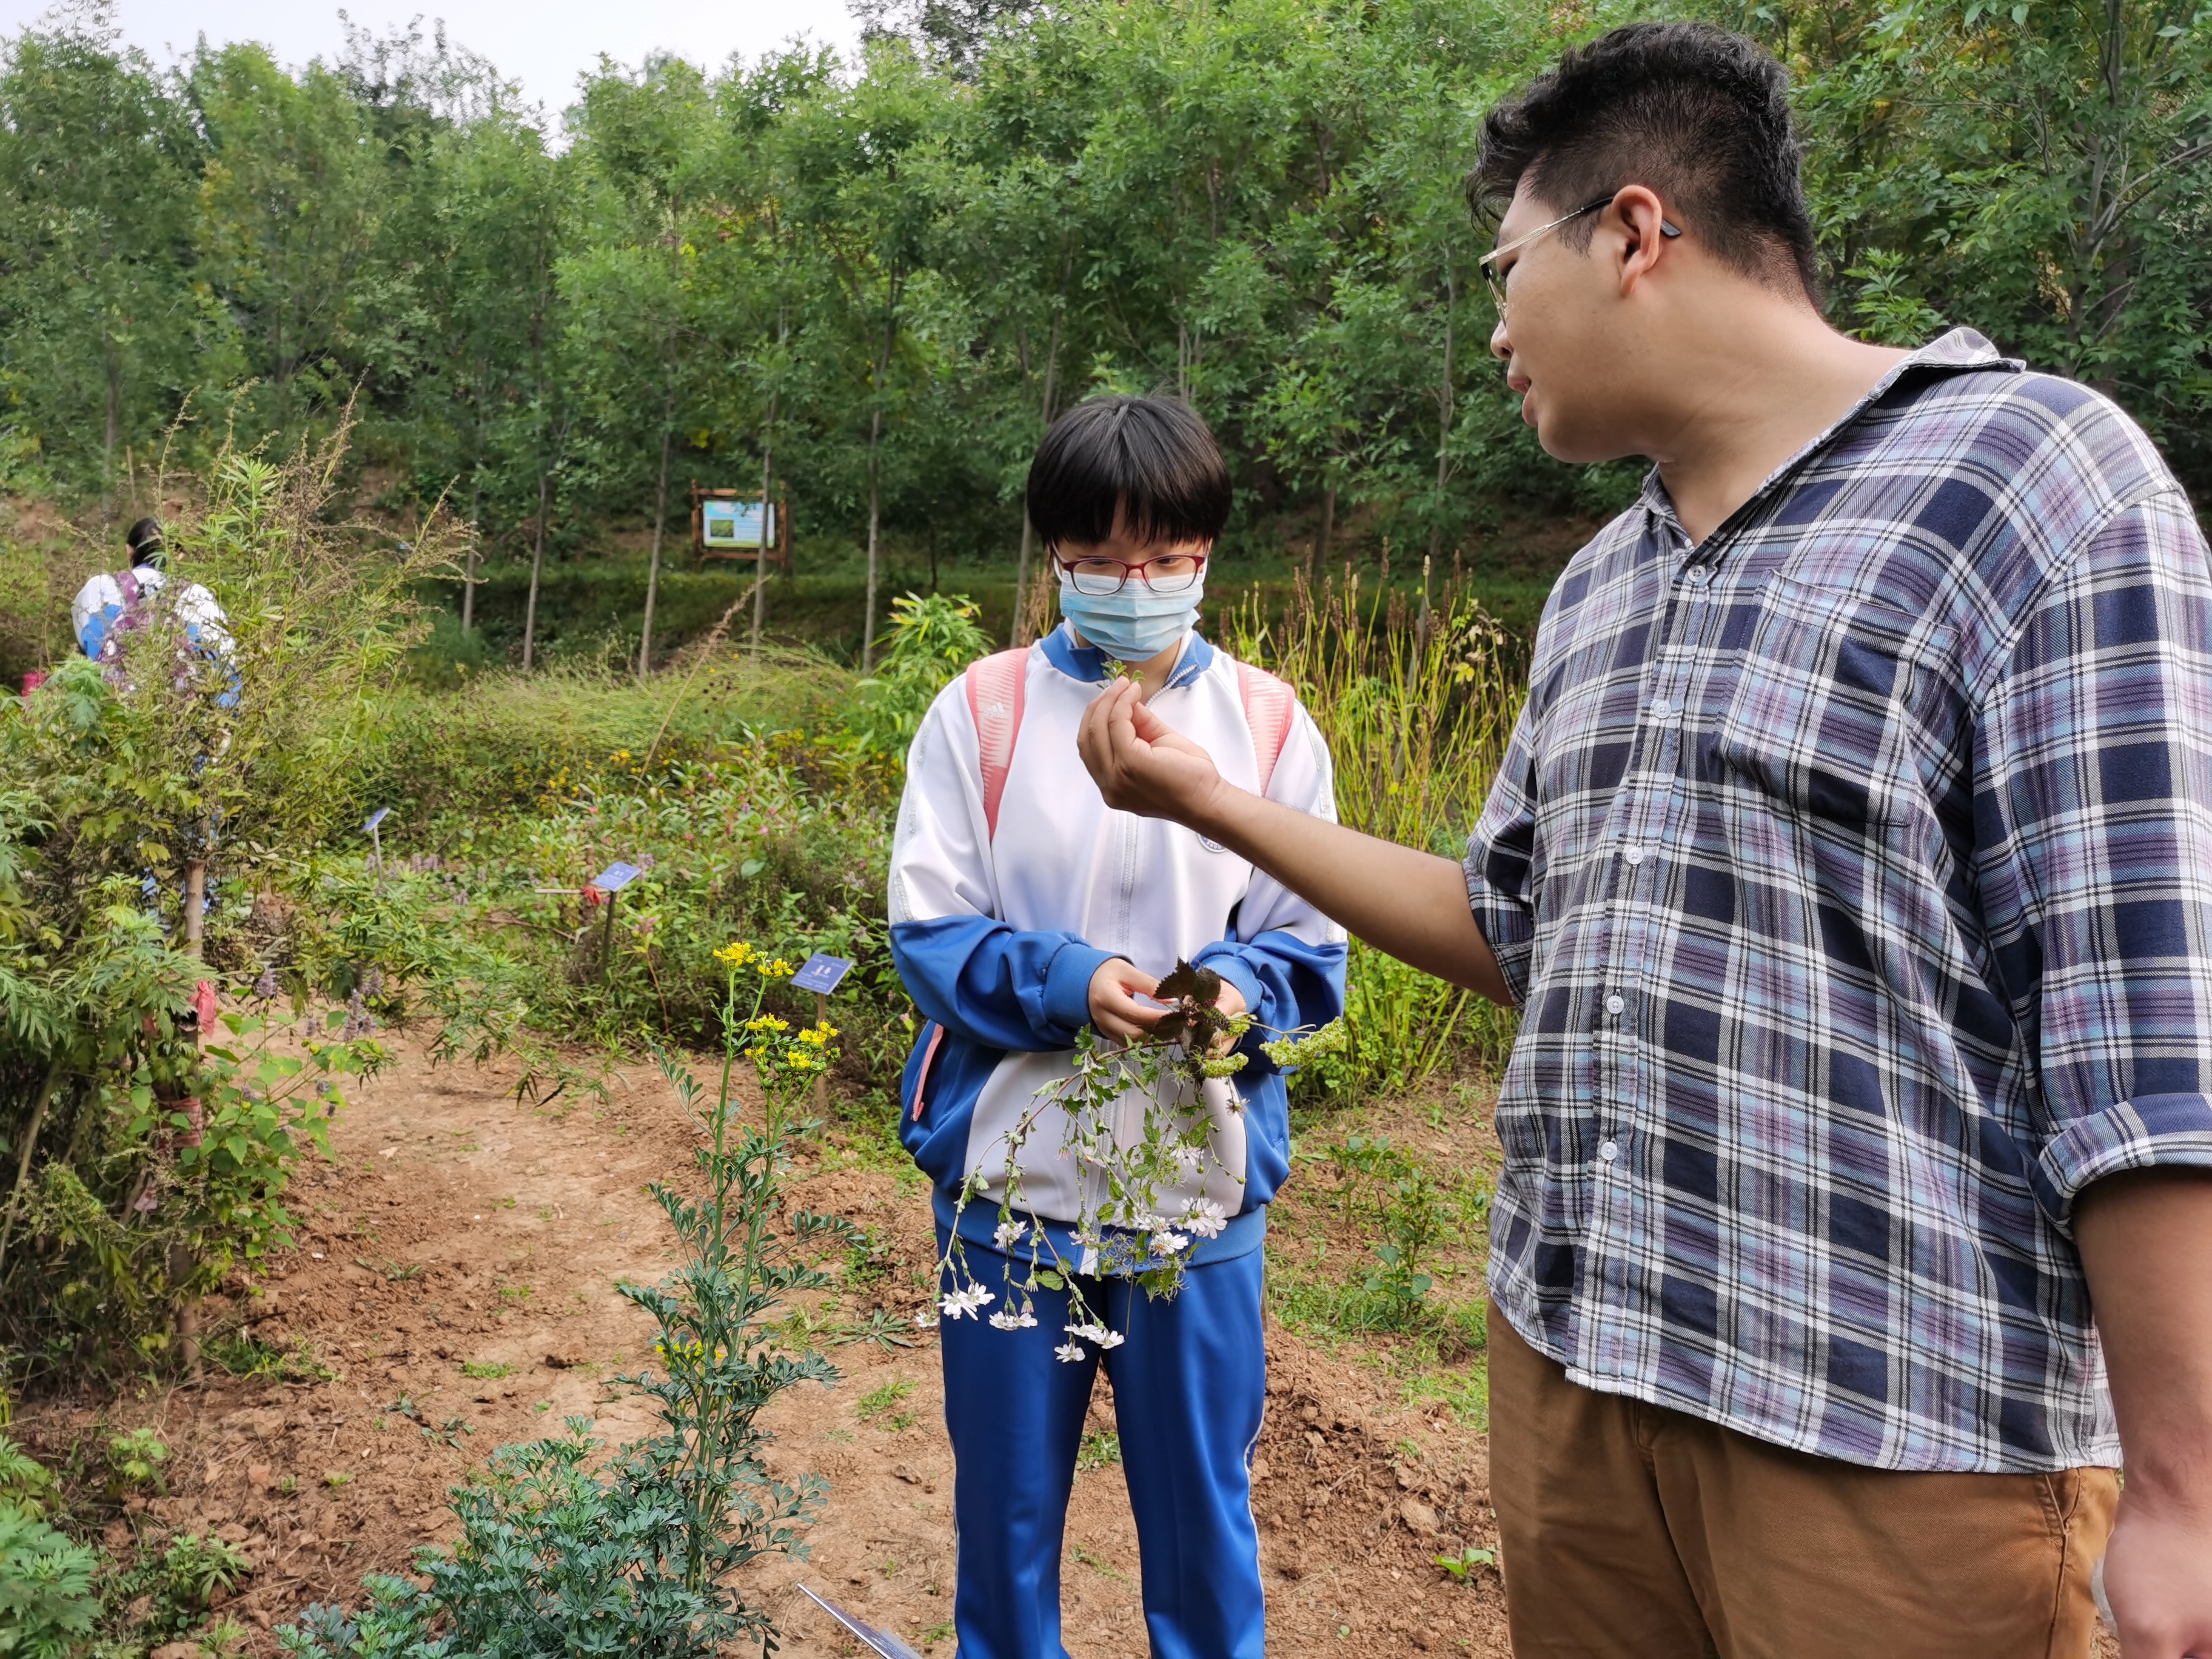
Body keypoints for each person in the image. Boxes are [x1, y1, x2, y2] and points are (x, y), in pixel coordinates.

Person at [1076, 22, 2212, 1659]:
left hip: (1891, 1447)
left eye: (1503, 267)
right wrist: (1211, 800)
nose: (1492, 328)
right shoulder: (1604, 587)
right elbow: (1515, 930)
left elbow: (2143, 1017)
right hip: (1578, 1387)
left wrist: (2180, 1482)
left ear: (1632, 232)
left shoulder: (2031, 484)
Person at [887, 395, 1346, 1659]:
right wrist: (1068, 982)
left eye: (1167, 561)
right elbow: (930, 932)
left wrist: (1227, 998)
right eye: (1100, 559)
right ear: (1055, 557)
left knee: (1203, 1522)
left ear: (1208, 557)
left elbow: (1313, 942)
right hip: (1009, 1192)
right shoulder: (980, 713)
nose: (1134, 585)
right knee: (1006, 1515)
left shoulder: (1263, 724)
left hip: (1195, 1197)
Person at [71, 516, 235, 682]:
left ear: (129, 551)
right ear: (178, 555)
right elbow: (225, 662)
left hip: (115, 702)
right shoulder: (195, 595)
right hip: (180, 702)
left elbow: (92, 654)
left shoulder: (101, 589)